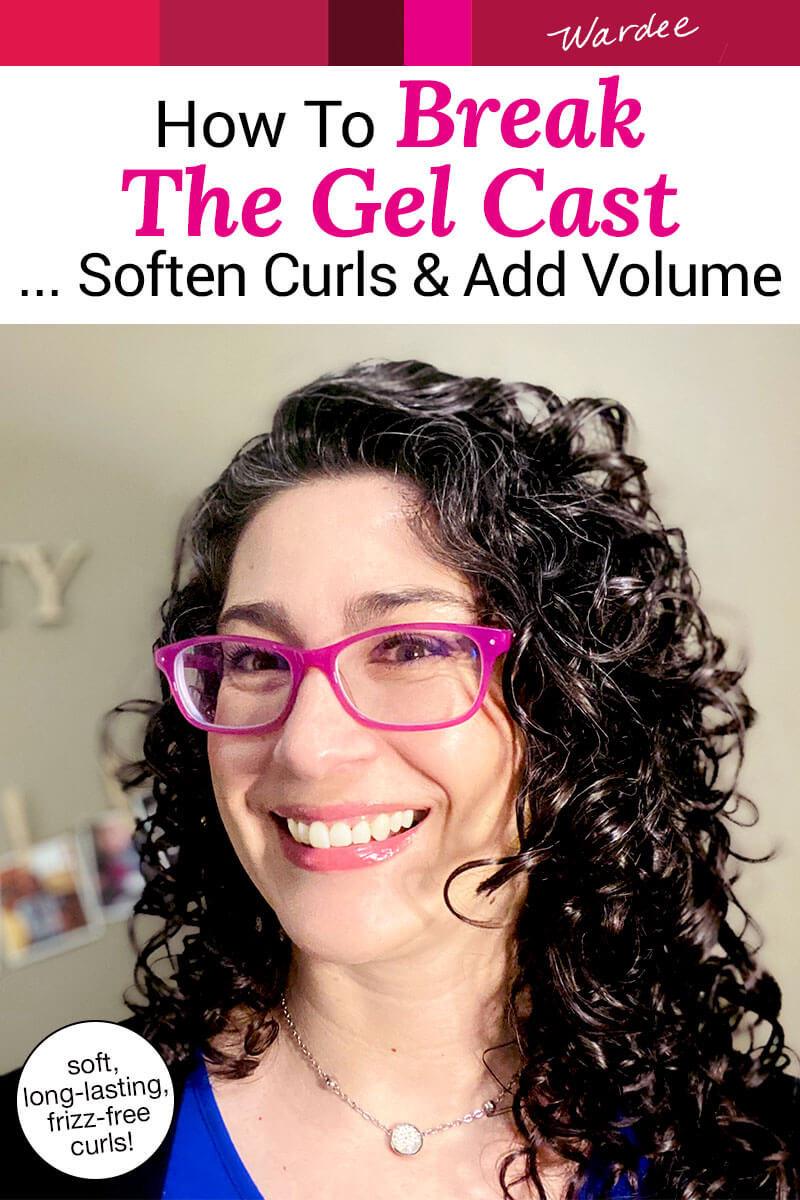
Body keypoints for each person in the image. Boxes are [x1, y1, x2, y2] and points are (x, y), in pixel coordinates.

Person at [6, 359, 795, 1199]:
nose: (306, 747)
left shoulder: (762, 1157)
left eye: (410, 648)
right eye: (252, 656)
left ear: (566, 705)